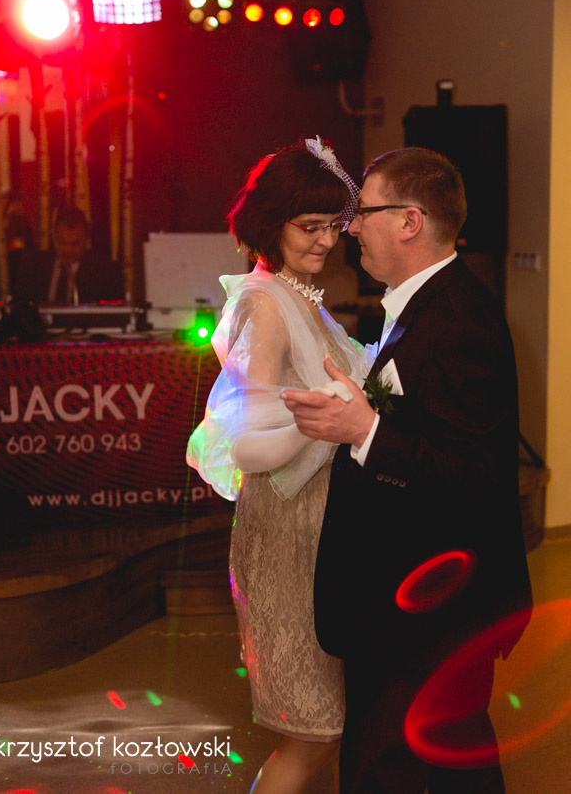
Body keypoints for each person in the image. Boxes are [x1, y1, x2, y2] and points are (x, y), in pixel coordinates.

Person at [281, 147, 533, 794]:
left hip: (432, 610)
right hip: (414, 601)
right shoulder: (424, 306)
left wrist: (365, 431)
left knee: (380, 770)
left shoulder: (458, 321)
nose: (351, 228)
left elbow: (474, 478)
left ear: (409, 221)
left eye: (363, 211)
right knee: (457, 763)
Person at [186, 138, 373, 794]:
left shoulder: (298, 295)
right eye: (309, 226)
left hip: (323, 533)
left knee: (335, 728)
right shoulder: (264, 304)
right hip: (290, 538)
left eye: (332, 225)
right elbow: (246, 445)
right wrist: (327, 413)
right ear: (271, 224)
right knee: (313, 734)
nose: (326, 240)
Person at [11, 205, 124, 304]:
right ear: (53, 235)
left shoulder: (105, 271)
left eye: (76, 243)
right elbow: (19, 306)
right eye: (62, 242)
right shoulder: (32, 266)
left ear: (86, 238)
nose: (68, 250)